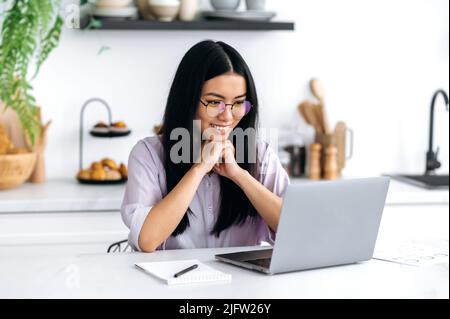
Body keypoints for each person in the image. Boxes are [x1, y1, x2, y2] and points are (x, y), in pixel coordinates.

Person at [121, 40, 289, 252]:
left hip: (244, 284)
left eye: (238, 103)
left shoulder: (260, 154)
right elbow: (147, 240)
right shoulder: (148, 154)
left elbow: (295, 230)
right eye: (213, 102)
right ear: (187, 100)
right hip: (172, 283)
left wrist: (239, 175)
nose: (227, 116)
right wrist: (198, 169)